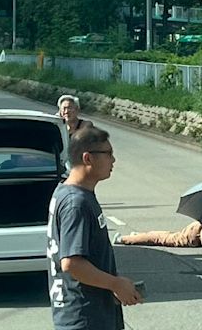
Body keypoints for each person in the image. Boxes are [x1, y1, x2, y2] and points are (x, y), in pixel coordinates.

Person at [47, 127, 141, 330]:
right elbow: (72, 264)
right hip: (85, 317)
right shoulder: (76, 203)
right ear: (88, 158)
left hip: (90, 313)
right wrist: (116, 284)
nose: (113, 160)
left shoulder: (70, 192)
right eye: (108, 154)